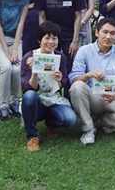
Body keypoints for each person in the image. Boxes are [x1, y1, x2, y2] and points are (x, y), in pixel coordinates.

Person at [69, 18, 115, 145]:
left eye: (112, 33)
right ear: (97, 33)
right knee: (77, 87)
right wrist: (89, 75)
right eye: (105, 32)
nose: (108, 36)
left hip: (114, 96)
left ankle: (105, 120)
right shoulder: (84, 51)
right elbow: (74, 78)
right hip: (92, 96)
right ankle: (88, 129)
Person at [20, 21, 77, 151]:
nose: (50, 42)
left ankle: (51, 124)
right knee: (29, 96)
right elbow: (27, 88)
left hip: (53, 99)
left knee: (71, 120)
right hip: (36, 100)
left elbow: (63, 83)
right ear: (40, 40)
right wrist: (34, 71)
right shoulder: (29, 57)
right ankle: (32, 137)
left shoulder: (60, 57)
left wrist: (59, 80)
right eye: (47, 38)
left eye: (54, 38)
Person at [35, 0, 86, 80]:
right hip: (50, 34)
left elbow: (78, 16)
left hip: (69, 34)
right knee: (49, 66)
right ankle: (50, 95)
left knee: (69, 67)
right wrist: (44, 38)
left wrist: (75, 40)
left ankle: (68, 98)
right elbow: (41, 16)